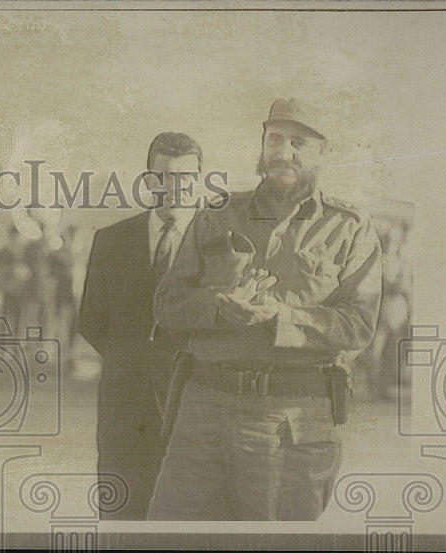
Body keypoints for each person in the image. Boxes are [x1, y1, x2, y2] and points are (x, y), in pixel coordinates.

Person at [148, 98, 383, 520]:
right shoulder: (215, 216)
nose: (284, 152)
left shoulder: (350, 228)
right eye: (275, 139)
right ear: (262, 144)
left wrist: (278, 318)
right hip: (203, 412)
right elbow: (168, 306)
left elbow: (358, 326)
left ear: (322, 153)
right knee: (171, 535)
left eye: (299, 143)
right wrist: (218, 306)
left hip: (291, 423)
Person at [78, 132, 202, 520]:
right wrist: (133, 362)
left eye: (185, 177)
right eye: (164, 176)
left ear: (199, 180)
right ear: (149, 180)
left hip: (193, 407)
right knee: (121, 523)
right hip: (123, 409)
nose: (174, 188)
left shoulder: (217, 240)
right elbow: (91, 321)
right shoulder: (111, 240)